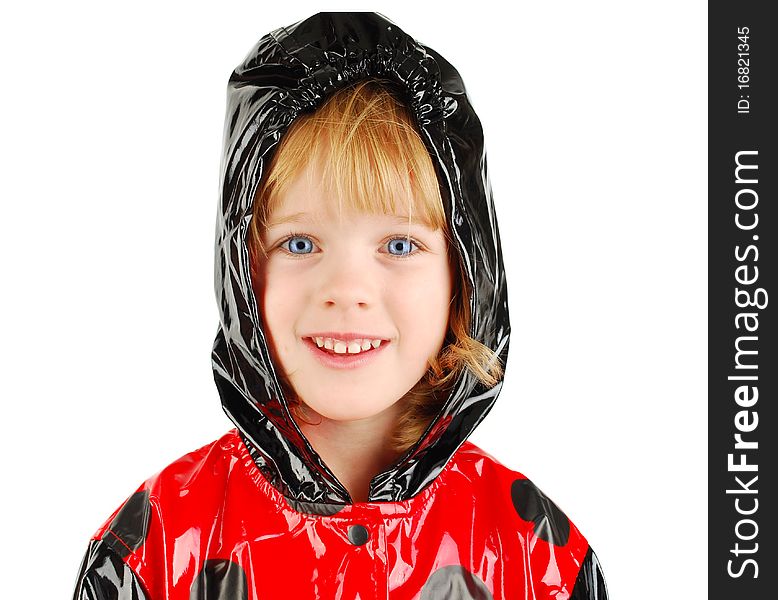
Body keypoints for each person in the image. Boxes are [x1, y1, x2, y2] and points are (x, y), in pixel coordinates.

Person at [73, 12, 608, 599]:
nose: (347, 289)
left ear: (464, 276)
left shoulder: (537, 559)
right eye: (300, 244)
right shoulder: (155, 552)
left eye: (400, 245)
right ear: (242, 270)